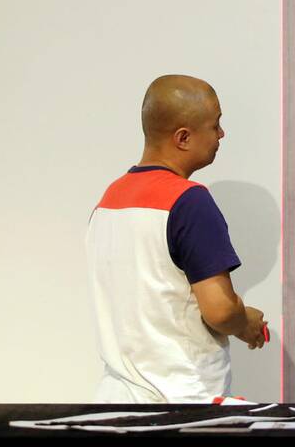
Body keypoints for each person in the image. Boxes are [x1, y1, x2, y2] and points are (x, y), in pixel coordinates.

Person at [85, 75, 267, 403]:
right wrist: (245, 321)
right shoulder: (190, 202)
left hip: (116, 400)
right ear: (183, 137)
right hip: (183, 403)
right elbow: (221, 311)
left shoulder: (108, 200)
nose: (221, 134)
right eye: (215, 124)